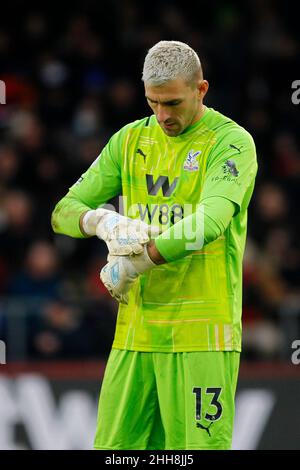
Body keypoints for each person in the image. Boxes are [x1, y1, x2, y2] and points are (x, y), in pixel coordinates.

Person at [51, 40, 257, 450]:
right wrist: (101, 221)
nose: (162, 115)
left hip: (202, 334)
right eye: (153, 102)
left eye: (173, 103)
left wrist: (137, 263)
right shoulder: (129, 142)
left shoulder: (231, 144)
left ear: (201, 90)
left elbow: (208, 224)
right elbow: (62, 212)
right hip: (137, 333)